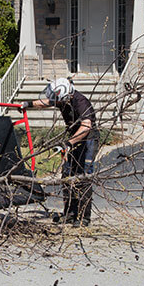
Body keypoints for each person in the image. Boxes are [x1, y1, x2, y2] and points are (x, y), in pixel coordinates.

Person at [21, 78, 97, 227]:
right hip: (73, 139)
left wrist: (69, 143)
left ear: (64, 95)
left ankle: (83, 217)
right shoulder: (62, 99)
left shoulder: (82, 103)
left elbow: (86, 126)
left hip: (88, 140)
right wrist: (27, 104)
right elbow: (47, 102)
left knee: (83, 178)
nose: (55, 102)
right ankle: (69, 213)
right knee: (67, 175)